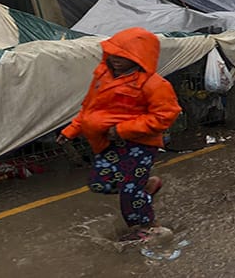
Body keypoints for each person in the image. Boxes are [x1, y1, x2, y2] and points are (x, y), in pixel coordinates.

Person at [57, 27, 182, 242]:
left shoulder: (155, 85)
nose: (115, 59)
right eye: (113, 53)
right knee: (101, 182)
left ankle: (146, 226)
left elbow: (165, 116)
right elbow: (89, 107)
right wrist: (72, 130)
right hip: (109, 141)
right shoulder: (102, 76)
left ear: (139, 57)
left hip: (140, 144)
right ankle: (145, 187)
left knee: (129, 191)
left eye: (122, 55)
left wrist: (122, 129)